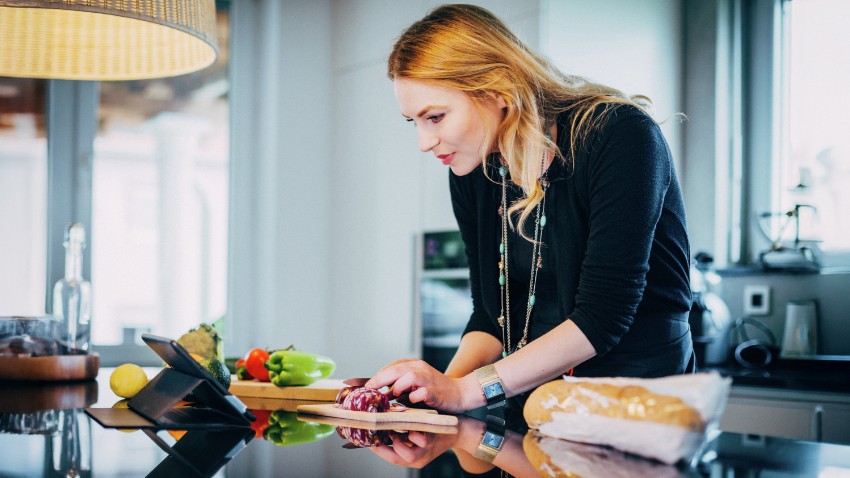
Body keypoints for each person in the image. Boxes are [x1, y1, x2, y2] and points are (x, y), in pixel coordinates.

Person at [366, 4, 693, 414]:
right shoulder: (474, 170)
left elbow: (602, 316)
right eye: (413, 121)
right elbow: (490, 318)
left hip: (638, 398)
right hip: (536, 395)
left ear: (498, 89)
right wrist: (433, 397)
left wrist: (466, 392)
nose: (424, 141)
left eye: (435, 117)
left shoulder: (620, 136)